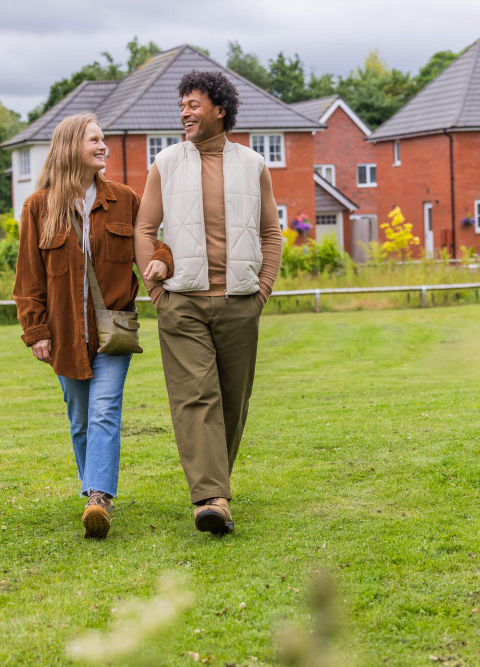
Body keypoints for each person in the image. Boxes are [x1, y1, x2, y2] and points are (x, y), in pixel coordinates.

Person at [134, 70, 283, 535]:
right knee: (195, 397)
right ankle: (210, 498)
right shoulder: (167, 163)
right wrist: (157, 292)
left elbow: (271, 233)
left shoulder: (253, 164)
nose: (185, 112)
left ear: (220, 110)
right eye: (182, 105)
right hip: (182, 304)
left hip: (240, 302)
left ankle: (214, 483)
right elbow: (143, 230)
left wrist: (262, 290)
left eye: (194, 104)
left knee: (233, 402)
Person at [14, 112, 173, 539]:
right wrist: (36, 331)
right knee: (80, 419)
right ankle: (92, 492)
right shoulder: (39, 206)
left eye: (104, 140)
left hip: (113, 331)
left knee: (105, 412)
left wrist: (163, 259)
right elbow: (27, 279)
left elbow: (155, 240)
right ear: (71, 147)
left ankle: (98, 497)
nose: (103, 146)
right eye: (95, 140)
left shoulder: (123, 198)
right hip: (65, 334)